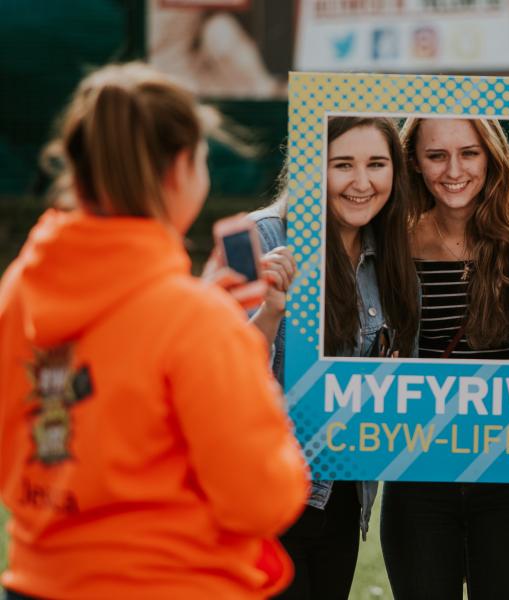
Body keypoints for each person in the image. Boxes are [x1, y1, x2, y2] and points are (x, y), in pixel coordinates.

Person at [0, 62, 309, 599]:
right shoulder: (198, 322)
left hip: (37, 580)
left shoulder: (20, 288)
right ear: (178, 170)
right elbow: (263, 500)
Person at [249, 115, 419, 599]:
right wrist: (269, 313)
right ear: (308, 167)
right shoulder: (261, 239)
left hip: (340, 498)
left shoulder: (389, 253)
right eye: (342, 164)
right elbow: (213, 376)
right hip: (264, 498)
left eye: (377, 164)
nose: (361, 183)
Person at [379, 116, 509, 600]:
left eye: (469, 152)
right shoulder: (390, 244)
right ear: (413, 161)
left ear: (491, 156)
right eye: (436, 155)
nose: (454, 170)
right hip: (418, 473)